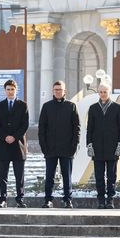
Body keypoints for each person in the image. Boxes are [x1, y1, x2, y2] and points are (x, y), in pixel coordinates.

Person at [38, 80, 80, 208]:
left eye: (60, 89)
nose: (58, 91)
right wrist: (44, 146)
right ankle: (48, 200)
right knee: (49, 175)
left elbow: (76, 128)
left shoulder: (71, 106)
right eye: (56, 89)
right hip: (50, 148)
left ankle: (68, 200)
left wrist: (74, 145)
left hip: (67, 148)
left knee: (67, 176)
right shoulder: (47, 106)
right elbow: (42, 128)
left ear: (64, 91)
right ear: (53, 91)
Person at [86, 84, 120, 209]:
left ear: (109, 92)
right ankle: (101, 200)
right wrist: (89, 144)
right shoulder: (93, 108)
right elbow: (89, 129)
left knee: (111, 176)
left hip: (112, 148)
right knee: (99, 176)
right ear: (98, 93)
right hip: (97, 149)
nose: (103, 94)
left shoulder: (117, 107)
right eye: (101, 92)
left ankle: (110, 200)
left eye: (105, 91)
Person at [0, 79, 29, 208]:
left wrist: (14, 137)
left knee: (19, 175)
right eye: (8, 89)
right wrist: (5, 136)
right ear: (5, 91)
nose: (10, 91)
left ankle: (20, 199)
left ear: (16, 90)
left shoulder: (23, 105)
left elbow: (25, 125)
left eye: (12, 89)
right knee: (3, 175)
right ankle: (3, 199)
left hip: (18, 145)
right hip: (3, 144)